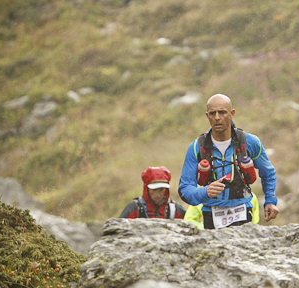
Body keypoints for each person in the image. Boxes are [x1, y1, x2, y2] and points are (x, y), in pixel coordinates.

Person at [178, 93, 279, 229]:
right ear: (207, 116)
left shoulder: (249, 142)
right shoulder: (197, 147)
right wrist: (205, 192)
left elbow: (268, 173)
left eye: (222, 112)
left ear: (232, 114)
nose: (217, 117)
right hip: (210, 214)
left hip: (243, 212)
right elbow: (184, 189)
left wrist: (270, 201)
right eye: (212, 113)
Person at [119, 166, 187, 219]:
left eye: (161, 189)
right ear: (146, 188)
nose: (158, 194)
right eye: (154, 189)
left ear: (166, 190)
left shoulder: (176, 210)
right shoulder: (134, 209)